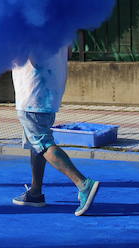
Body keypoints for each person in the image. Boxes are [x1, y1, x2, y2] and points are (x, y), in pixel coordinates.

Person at [11, 46, 100, 216]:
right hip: (49, 91)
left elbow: (33, 56)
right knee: (36, 143)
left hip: (32, 93)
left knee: (42, 142)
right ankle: (35, 192)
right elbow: (68, 52)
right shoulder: (60, 22)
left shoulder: (28, 24)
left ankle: (82, 183)